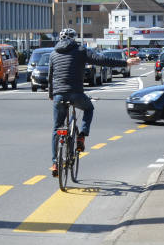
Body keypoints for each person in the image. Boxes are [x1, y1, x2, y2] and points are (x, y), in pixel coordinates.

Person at [47, 28, 127, 177]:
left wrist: (52, 94)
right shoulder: (80, 50)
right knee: (89, 109)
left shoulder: (53, 53)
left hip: (59, 95)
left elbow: (50, 76)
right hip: (76, 93)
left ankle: (54, 163)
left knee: (57, 128)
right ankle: (82, 135)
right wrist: (125, 63)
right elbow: (102, 60)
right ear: (74, 39)